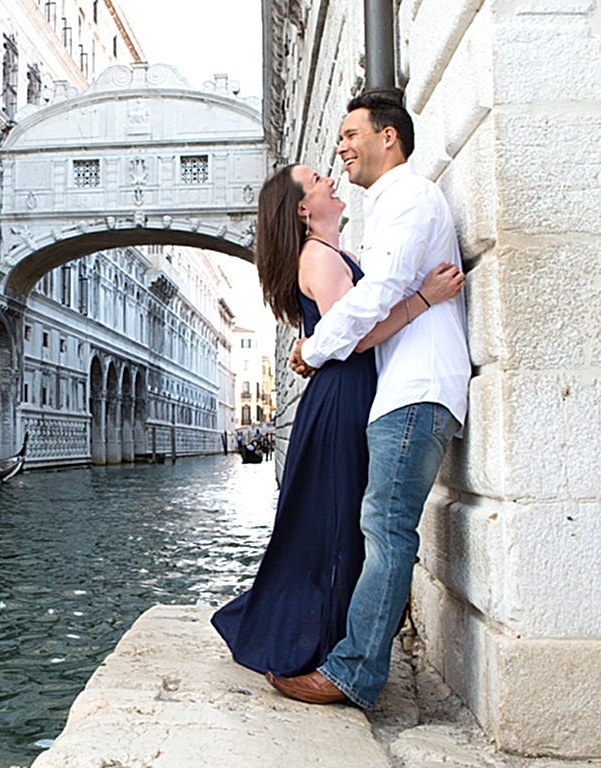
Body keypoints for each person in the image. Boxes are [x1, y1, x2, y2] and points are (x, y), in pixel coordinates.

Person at [211, 160, 463, 679]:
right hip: (345, 393)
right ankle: (316, 643)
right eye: (317, 179)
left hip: (347, 390)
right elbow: (353, 338)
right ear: (305, 208)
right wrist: (424, 299)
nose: (330, 178)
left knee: (337, 519)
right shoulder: (319, 257)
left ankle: (323, 636)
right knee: (336, 521)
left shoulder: (336, 252)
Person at [266, 89, 471, 709]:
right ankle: (346, 657)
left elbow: (379, 289)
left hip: (415, 391)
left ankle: (351, 672)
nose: (342, 147)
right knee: (381, 528)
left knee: (384, 530)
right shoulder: (388, 207)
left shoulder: (407, 195)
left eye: (352, 134)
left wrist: (312, 349)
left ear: (390, 137)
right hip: (404, 390)